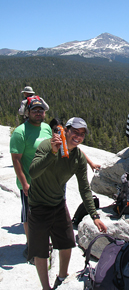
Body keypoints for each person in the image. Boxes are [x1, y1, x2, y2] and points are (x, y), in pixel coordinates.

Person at [27, 117, 107, 290]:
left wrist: (94, 215)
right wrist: (52, 153)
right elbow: (33, 172)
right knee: (40, 251)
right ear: (66, 131)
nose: (78, 136)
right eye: (75, 132)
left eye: (82, 134)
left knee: (67, 242)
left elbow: (84, 188)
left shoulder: (78, 157)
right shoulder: (47, 146)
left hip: (57, 203)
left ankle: (62, 278)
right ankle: (46, 288)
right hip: (38, 205)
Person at [10, 99, 52, 261]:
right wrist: (24, 183)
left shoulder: (46, 128)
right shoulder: (20, 132)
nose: (38, 113)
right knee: (30, 216)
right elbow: (16, 160)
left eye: (41, 110)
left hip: (46, 182)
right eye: (34, 110)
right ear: (27, 112)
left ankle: (43, 242)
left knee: (45, 214)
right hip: (29, 183)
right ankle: (32, 247)